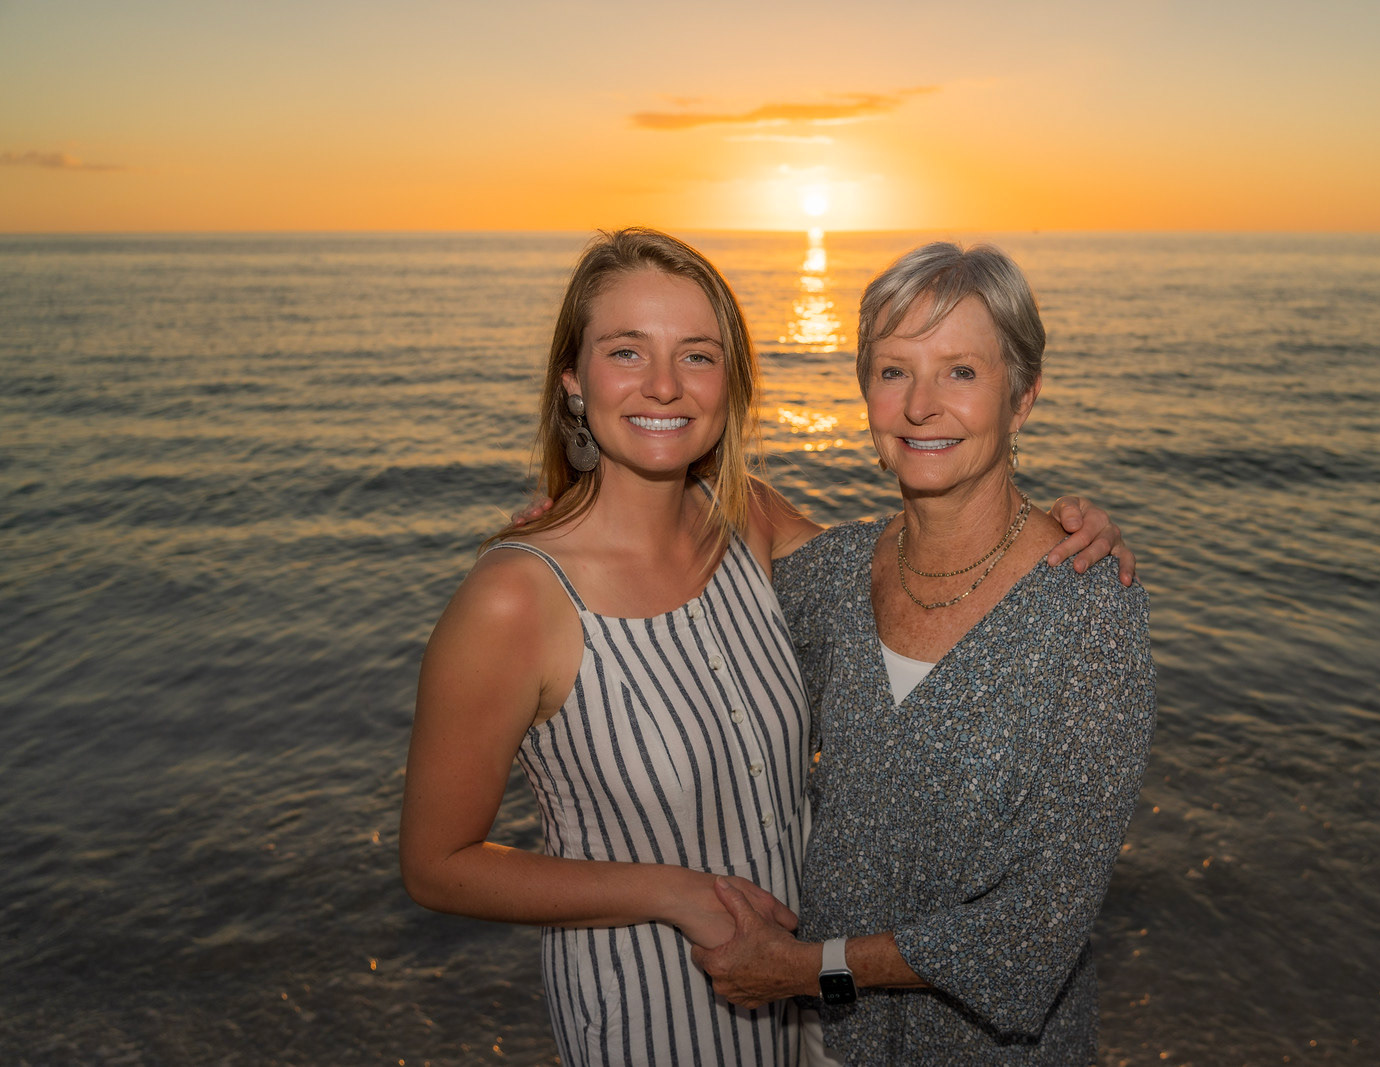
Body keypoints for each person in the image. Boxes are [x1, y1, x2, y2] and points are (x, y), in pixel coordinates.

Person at [400, 228, 1134, 1067]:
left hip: (813, 1020)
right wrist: (670, 892)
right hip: (652, 1015)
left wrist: (1065, 537)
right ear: (573, 377)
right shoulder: (514, 599)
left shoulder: (747, 526)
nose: (665, 385)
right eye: (626, 351)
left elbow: (925, 599)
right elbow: (435, 864)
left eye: (698, 356)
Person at [691, 241, 1157, 1066]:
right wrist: (589, 499)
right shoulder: (835, 577)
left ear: (1022, 398)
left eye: (961, 373)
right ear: (865, 392)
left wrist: (802, 969)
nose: (920, 406)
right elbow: (740, 501)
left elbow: (1034, 931)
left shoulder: (1091, 609)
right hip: (829, 1048)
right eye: (894, 370)